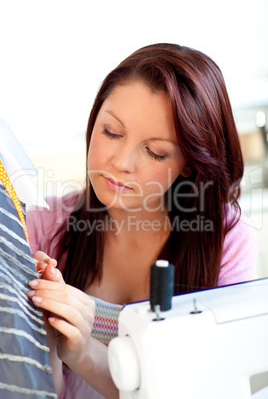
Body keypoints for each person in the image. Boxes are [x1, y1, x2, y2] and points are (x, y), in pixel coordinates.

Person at [26, 43, 258, 398]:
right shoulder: (44, 228)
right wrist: (49, 336)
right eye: (112, 132)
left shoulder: (225, 243)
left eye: (155, 151)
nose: (121, 162)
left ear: (189, 164)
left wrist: (85, 351)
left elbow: (199, 390)